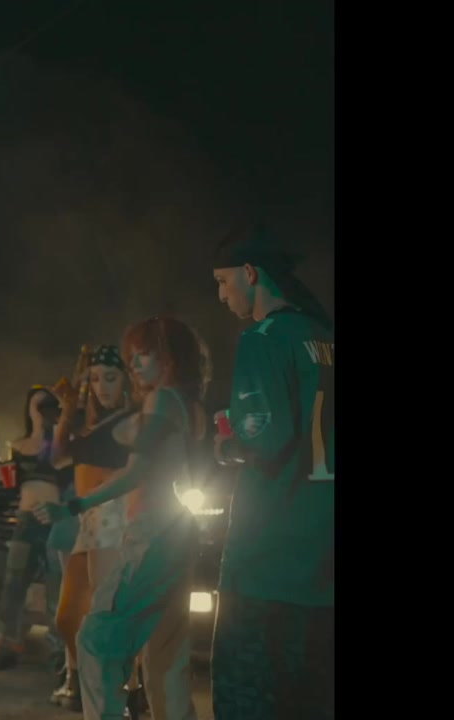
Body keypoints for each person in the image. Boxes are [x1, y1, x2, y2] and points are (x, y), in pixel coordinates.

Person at [35, 317, 207, 720]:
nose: (135, 364)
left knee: (97, 640)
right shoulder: (190, 406)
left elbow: (135, 472)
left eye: (143, 355)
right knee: (166, 655)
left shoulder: (162, 400)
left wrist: (74, 505)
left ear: (168, 357)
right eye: (132, 357)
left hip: (152, 532)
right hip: (178, 531)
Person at [210, 226, 334, 720]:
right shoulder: (325, 338)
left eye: (223, 281)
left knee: (251, 702)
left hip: (266, 567)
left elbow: (266, 437)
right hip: (322, 567)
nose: (222, 295)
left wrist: (226, 444)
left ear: (250, 273)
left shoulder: (263, 338)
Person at [48, 345, 140, 713]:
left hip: (114, 517)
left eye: (111, 378)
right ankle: (84, 679)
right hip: (88, 521)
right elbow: (57, 458)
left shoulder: (133, 419)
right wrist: (67, 409)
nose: (102, 386)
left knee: (107, 612)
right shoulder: (89, 423)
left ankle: (127, 687)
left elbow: (141, 468)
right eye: (97, 379)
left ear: (126, 380)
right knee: (68, 616)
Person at [0, 385, 69, 671]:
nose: (42, 410)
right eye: (37, 404)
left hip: (54, 518)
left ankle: (59, 650)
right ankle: (7, 644)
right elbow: (10, 486)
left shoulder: (60, 443)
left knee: (56, 585)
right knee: (14, 582)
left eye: (47, 404)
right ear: (29, 410)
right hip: (26, 517)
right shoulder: (20, 446)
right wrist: (4, 477)